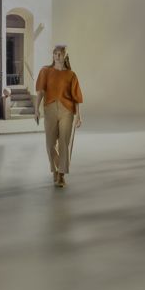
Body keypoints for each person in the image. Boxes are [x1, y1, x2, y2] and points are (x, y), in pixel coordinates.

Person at [34, 45, 83, 187]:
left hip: (67, 110)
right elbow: (40, 92)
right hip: (49, 109)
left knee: (64, 143)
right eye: (55, 53)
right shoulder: (45, 71)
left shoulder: (71, 75)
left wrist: (79, 116)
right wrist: (36, 109)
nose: (57, 56)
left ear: (65, 56)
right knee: (50, 143)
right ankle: (55, 169)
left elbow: (77, 98)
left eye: (60, 54)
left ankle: (61, 174)